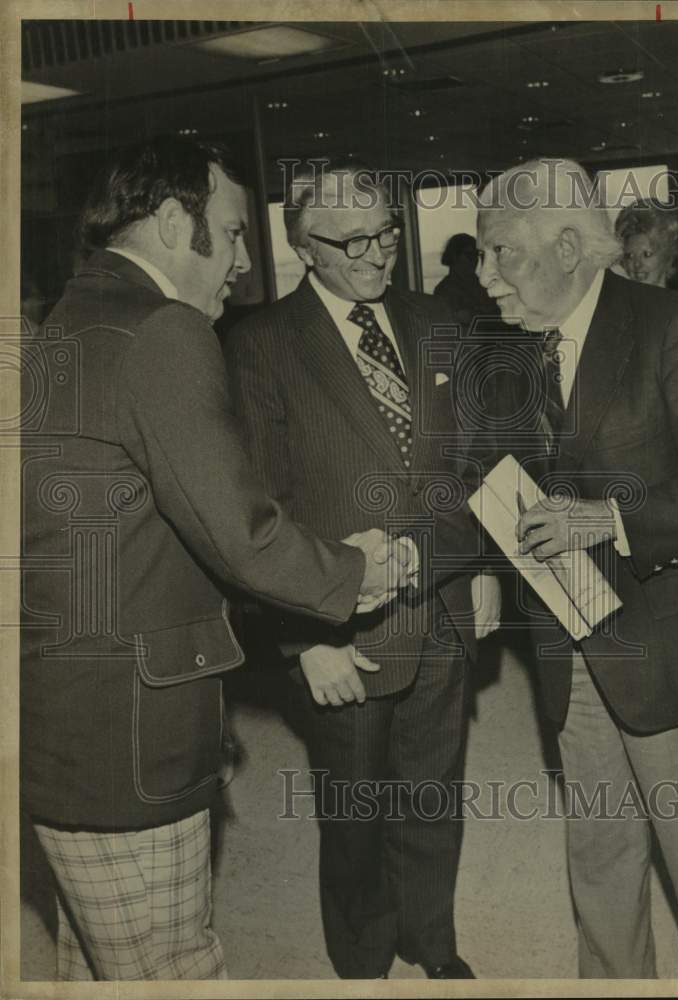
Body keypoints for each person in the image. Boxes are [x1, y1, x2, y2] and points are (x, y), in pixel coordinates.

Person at [20, 137, 416, 982]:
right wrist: (357, 573)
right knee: (173, 965)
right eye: (233, 234)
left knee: (92, 960)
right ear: (172, 223)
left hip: (65, 717)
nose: (242, 264)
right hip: (128, 734)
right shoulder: (159, 331)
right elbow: (239, 529)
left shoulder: (69, 319)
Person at [476, 158, 678, 978]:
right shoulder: (512, 349)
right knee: (600, 869)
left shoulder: (673, 326)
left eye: (503, 253)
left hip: (670, 652)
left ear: (570, 246)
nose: (486, 275)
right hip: (567, 653)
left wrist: (609, 519)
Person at [225, 162, 500, 980]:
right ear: (304, 248)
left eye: (385, 233)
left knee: (433, 791)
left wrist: (476, 566)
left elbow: (472, 461)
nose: (379, 254)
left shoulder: (435, 319)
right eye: (353, 243)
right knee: (354, 806)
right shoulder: (262, 345)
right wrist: (301, 641)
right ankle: (363, 956)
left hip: (443, 601)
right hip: (341, 625)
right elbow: (259, 509)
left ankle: (432, 938)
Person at [614, 198, 678, 290]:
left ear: (668, 255)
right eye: (630, 256)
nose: (637, 265)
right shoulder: (618, 301)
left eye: (647, 254)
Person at [432, 232, 494, 331]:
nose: (474, 260)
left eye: (475, 255)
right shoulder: (444, 290)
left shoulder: (483, 284)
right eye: (469, 255)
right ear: (454, 256)